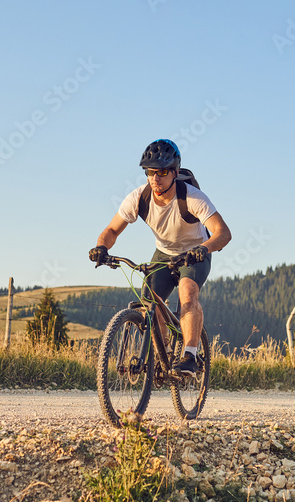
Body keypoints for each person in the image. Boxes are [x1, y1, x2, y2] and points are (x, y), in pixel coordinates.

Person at [89, 139, 232, 377]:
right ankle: (163, 355)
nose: (155, 179)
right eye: (150, 172)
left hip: (195, 253)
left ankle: (190, 356)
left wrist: (204, 249)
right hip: (164, 254)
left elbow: (223, 233)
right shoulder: (139, 198)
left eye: (162, 172)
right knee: (149, 306)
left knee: (187, 291)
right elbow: (111, 230)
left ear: (175, 172)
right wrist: (101, 248)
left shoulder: (193, 198)